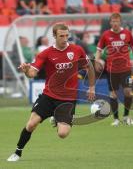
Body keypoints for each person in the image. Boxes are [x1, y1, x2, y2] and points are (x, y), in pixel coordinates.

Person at [7, 23, 96, 161]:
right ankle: (17, 152)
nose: (65, 38)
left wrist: (92, 87)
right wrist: (25, 71)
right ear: (54, 36)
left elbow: (89, 67)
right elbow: (32, 73)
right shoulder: (46, 53)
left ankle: (57, 117)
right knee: (31, 124)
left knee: (62, 134)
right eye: (61, 36)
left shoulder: (77, 50)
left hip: (68, 99)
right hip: (49, 96)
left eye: (67, 35)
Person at [95, 13, 133, 126]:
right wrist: (97, 60)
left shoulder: (127, 33)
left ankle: (126, 116)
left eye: (117, 21)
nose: (115, 23)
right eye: (113, 21)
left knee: (128, 92)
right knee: (113, 94)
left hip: (126, 69)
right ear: (110, 23)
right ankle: (116, 119)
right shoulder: (106, 35)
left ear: (120, 22)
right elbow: (99, 49)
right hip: (112, 70)